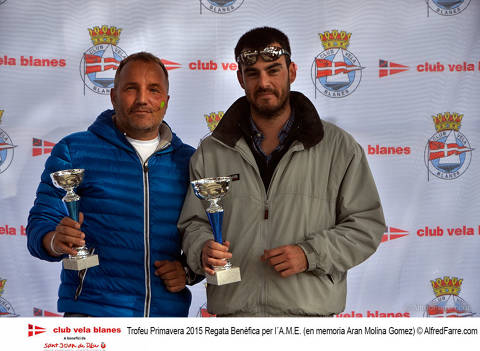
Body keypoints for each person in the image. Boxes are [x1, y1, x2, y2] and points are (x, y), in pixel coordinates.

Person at [179, 27, 386, 316]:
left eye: (273, 70)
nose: (264, 82)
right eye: (252, 73)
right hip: (234, 321)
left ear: (292, 71)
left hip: (309, 321)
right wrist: (202, 249)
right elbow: (193, 224)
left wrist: (309, 254)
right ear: (240, 78)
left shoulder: (339, 148)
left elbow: (366, 226)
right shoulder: (212, 151)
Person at [27, 52, 197, 317]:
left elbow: (203, 232)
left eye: (154, 89)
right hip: (92, 316)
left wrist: (188, 271)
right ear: (113, 96)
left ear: (166, 100)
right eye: (131, 89)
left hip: (165, 319)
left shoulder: (188, 160)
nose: (143, 99)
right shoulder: (75, 149)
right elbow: (41, 224)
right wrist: (55, 241)